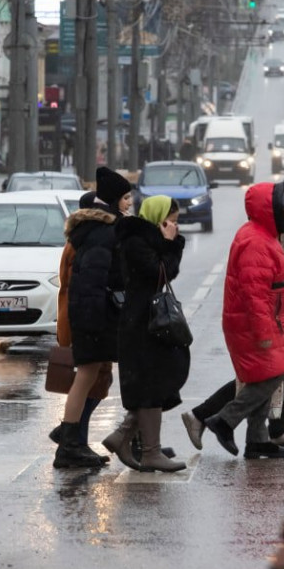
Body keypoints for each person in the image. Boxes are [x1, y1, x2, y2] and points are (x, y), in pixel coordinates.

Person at [181, 186, 284, 454]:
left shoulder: (262, 235)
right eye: (283, 207)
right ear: (269, 209)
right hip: (259, 324)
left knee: (264, 375)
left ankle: (257, 441)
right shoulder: (256, 242)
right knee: (274, 374)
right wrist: (264, 332)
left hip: (267, 321)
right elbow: (255, 295)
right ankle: (224, 421)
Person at [103, 196, 188, 472]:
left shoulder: (142, 238)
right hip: (141, 322)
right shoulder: (136, 241)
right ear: (158, 217)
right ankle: (149, 451)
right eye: (171, 220)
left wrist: (167, 243)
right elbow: (161, 273)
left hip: (143, 319)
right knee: (151, 385)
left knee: (154, 384)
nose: (174, 226)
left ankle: (123, 437)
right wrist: (171, 244)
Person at [53, 167, 131, 468]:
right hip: (92, 319)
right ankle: (69, 444)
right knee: (85, 378)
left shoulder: (95, 231)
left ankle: (71, 440)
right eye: (125, 198)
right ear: (112, 200)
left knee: (88, 379)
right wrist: (93, 322)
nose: (128, 204)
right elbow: (92, 282)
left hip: (90, 317)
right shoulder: (102, 234)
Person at [47, 191, 111, 464]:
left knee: (96, 380)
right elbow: (80, 286)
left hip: (79, 316)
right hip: (81, 318)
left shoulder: (79, 240)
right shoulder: (82, 244)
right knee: (92, 380)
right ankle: (72, 436)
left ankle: (72, 435)